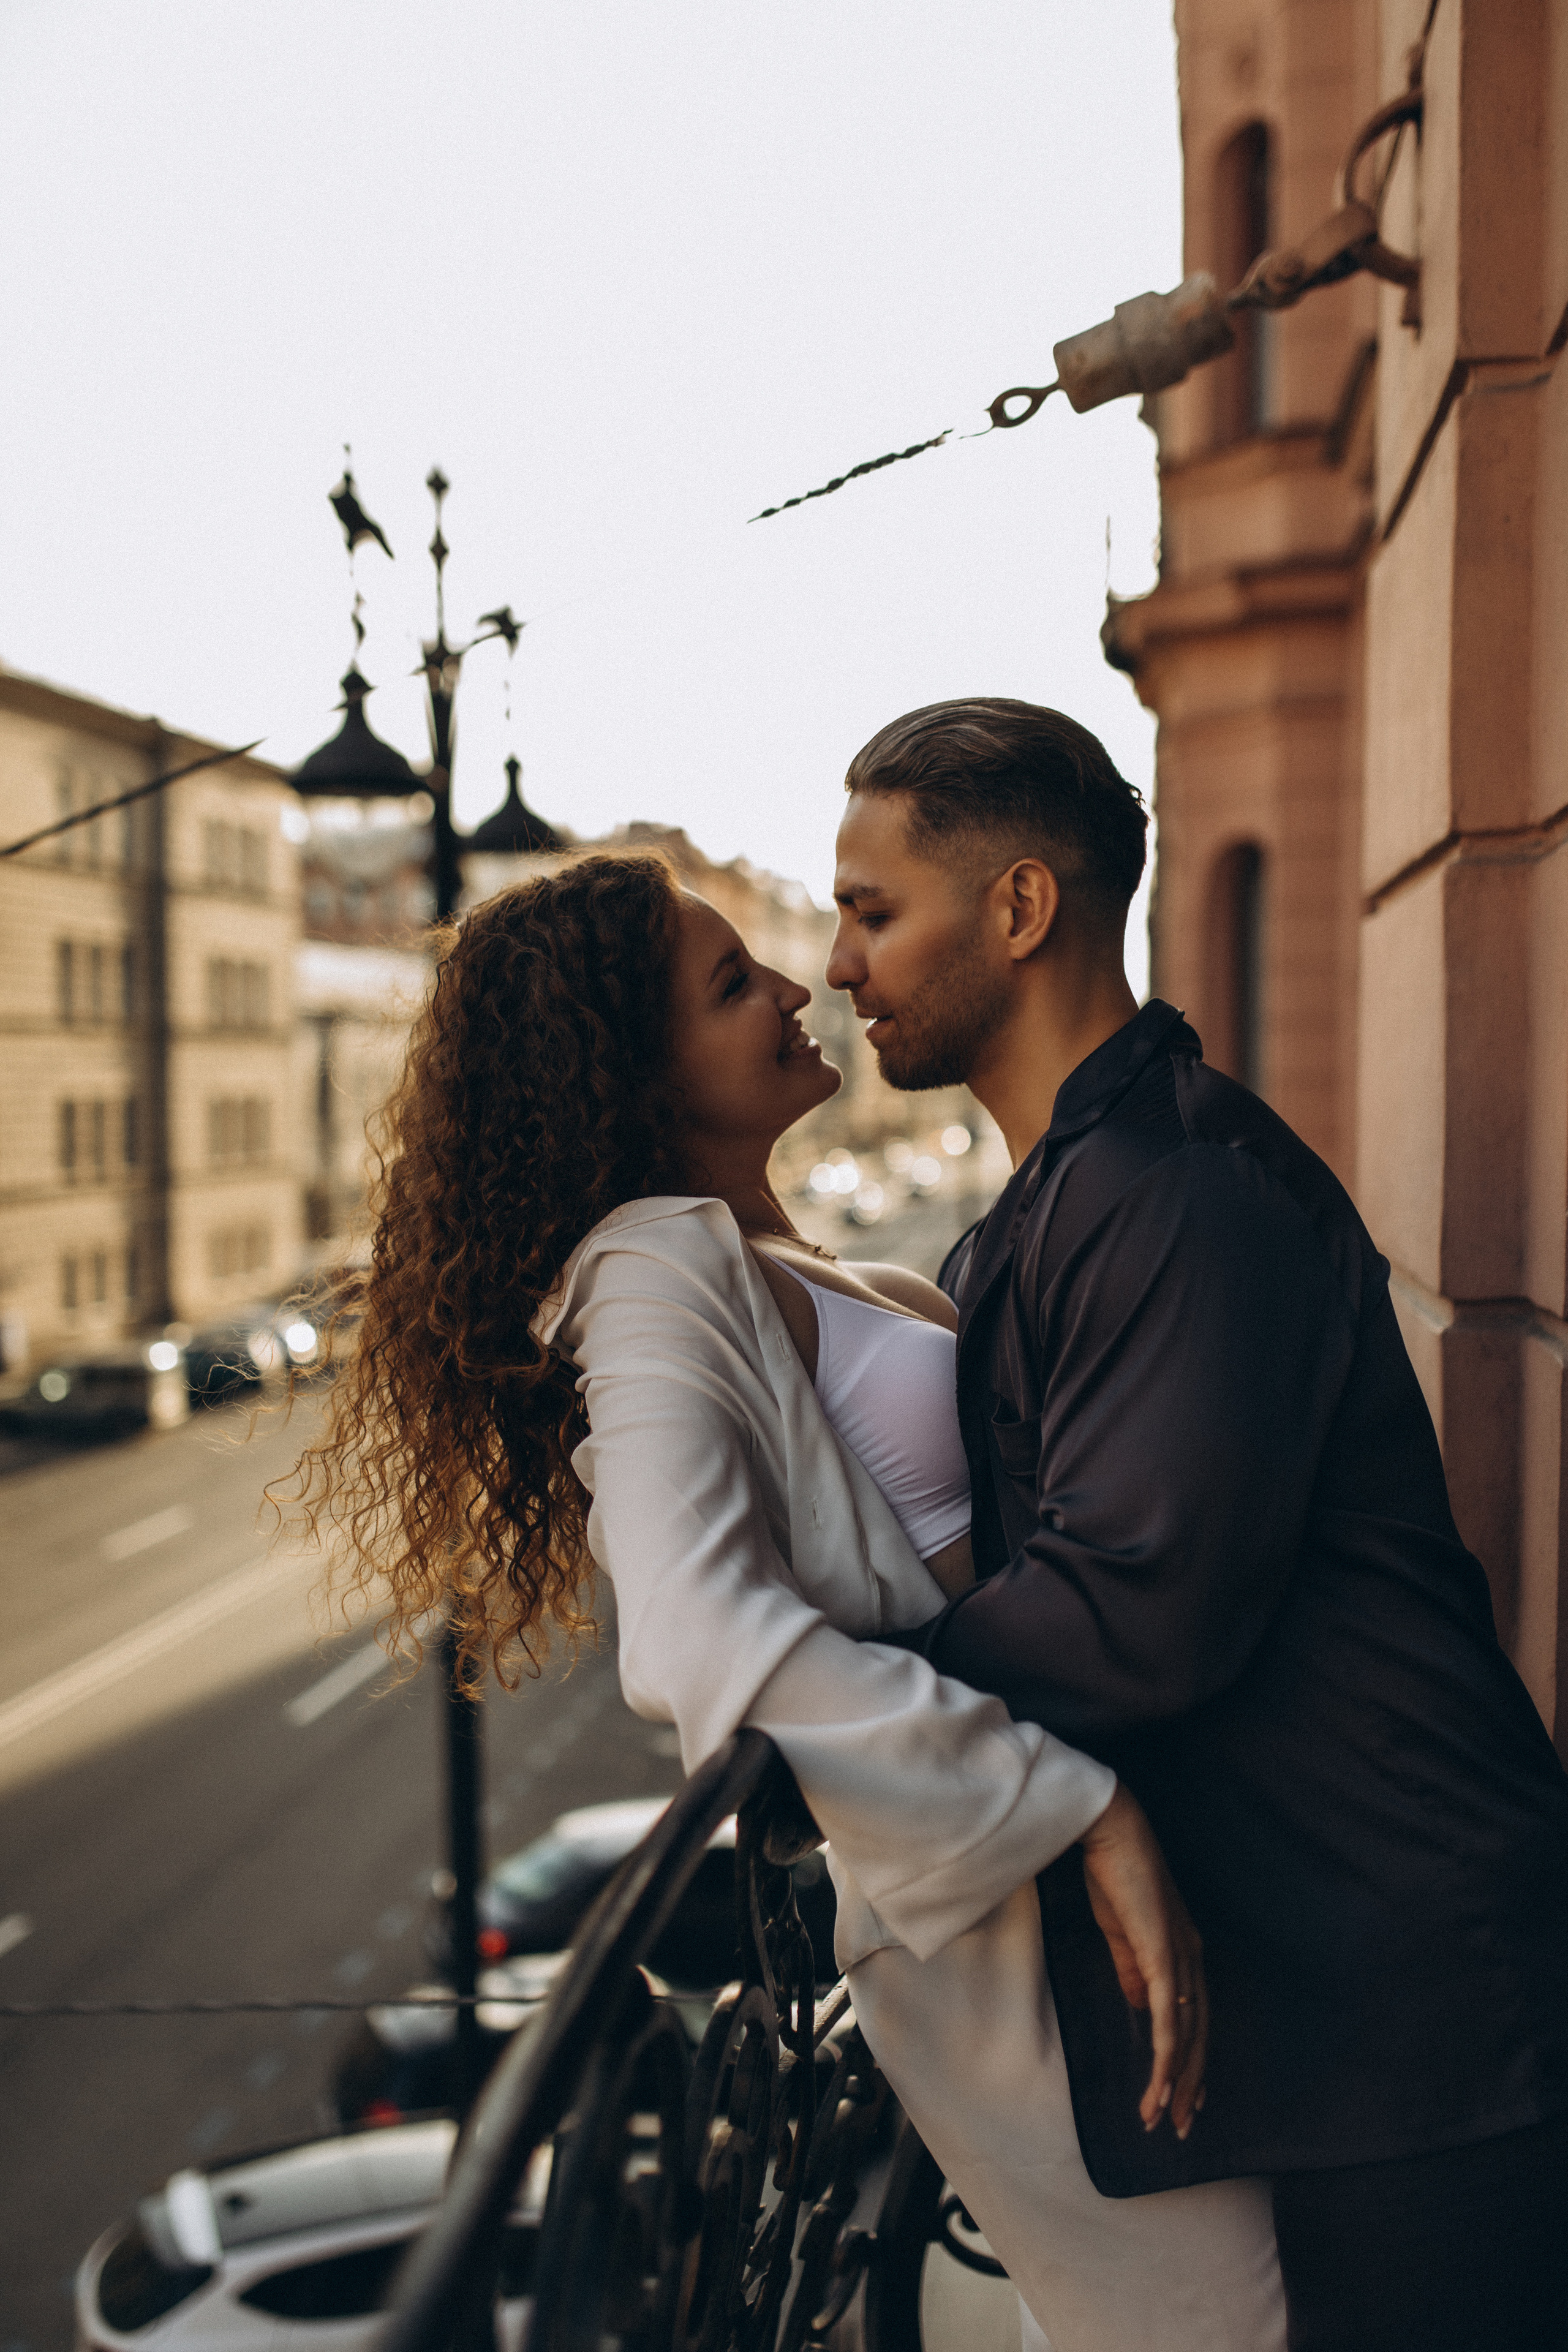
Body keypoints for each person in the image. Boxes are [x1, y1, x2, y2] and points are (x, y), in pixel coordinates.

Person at [284, 850, 1286, 2351]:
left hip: (1086, 1880)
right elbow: (696, 1640)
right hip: (1010, 1929)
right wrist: (1069, 1805)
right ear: (636, 1072)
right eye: (728, 982)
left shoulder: (764, 1254)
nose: (797, 983)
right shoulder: (645, 1272)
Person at [825, 696, 1568, 2351]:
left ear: (1019, 909)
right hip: (1340, 2007)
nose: (838, 964)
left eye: (873, 911)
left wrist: (831, 1705)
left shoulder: (1180, 1197)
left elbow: (1125, 1614)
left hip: (1429, 2023)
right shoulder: (1070, 1200)